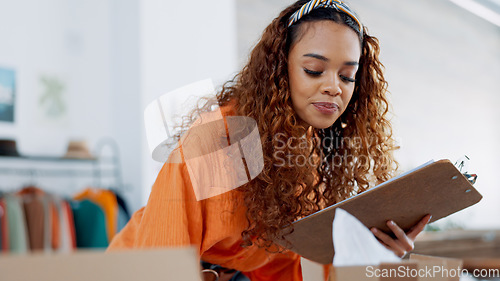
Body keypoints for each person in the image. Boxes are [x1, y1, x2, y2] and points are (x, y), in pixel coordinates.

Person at [107, 1, 431, 280]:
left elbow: (289, 267)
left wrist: (374, 254)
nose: (335, 87)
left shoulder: (309, 149)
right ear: (280, 68)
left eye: (348, 76)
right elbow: (163, 256)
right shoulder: (222, 139)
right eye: (314, 70)